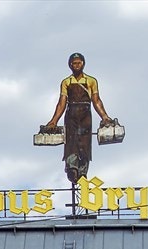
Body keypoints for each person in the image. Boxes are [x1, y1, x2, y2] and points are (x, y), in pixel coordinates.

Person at [41, 51, 116, 184]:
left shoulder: (91, 81)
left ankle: (83, 171)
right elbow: (62, 103)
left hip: (85, 114)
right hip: (71, 114)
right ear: (70, 65)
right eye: (74, 63)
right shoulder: (66, 82)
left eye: (79, 63)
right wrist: (53, 121)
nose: (76, 65)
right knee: (71, 141)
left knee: (85, 142)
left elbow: (96, 100)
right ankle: (72, 168)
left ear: (83, 64)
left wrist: (104, 116)